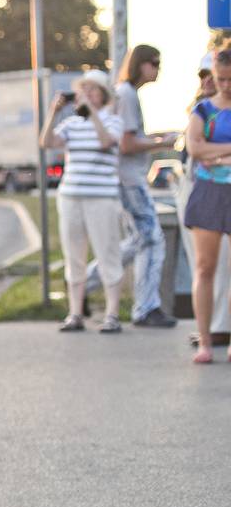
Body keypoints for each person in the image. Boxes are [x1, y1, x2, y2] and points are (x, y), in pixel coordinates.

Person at [41, 70, 126, 332]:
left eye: (93, 90)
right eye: (83, 90)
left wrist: (92, 113)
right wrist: (54, 112)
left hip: (102, 198)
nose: (87, 94)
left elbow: (105, 142)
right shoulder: (71, 124)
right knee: (73, 255)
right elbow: (47, 142)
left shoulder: (112, 121)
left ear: (103, 95)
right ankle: (75, 313)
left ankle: (112, 313)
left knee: (107, 253)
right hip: (71, 197)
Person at [105, 45, 177, 326]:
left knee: (139, 241)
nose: (158, 69)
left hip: (128, 179)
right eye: (154, 63)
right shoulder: (126, 94)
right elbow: (127, 143)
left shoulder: (126, 94)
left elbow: (132, 135)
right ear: (140, 64)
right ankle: (146, 307)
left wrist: (157, 135)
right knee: (151, 239)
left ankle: (84, 282)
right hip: (130, 180)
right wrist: (163, 144)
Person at [182, 48, 231, 362]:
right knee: (204, 267)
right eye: (221, 79)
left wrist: (214, 152)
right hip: (208, 191)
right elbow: (195, 149)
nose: (226, 85)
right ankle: (204, 342)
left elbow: (204, 149)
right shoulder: (202, 110)